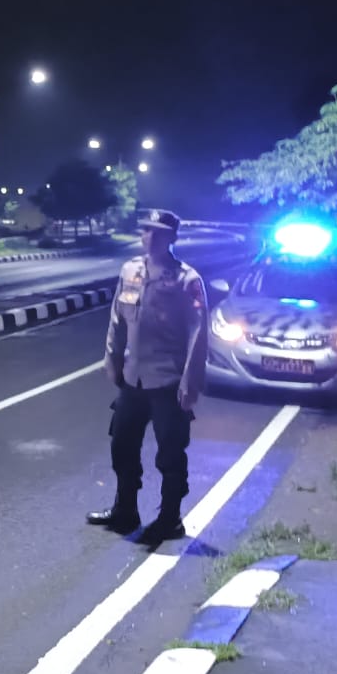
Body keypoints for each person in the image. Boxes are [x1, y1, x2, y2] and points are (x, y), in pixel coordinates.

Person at [88, 208, 209, 543]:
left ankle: (170, 519)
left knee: (170, 454)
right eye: (146, 231)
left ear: (172, 238)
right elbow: (118, 318)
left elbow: (199, 332)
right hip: (133, 378)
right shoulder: (130, 271)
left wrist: (190, 380)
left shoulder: (187, 280)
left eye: (158, 232)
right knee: (122, 447)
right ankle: (125, 511)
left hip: (168, 381)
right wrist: (111, 357)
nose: (150, 238)